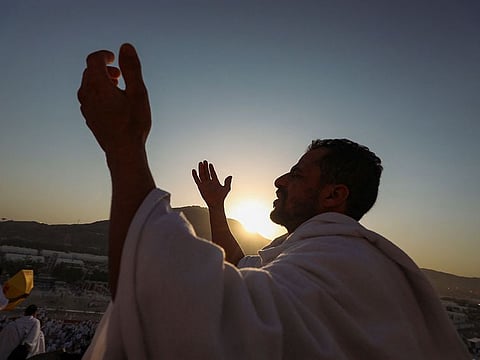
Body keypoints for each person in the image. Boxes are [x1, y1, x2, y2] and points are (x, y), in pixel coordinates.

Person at [78, 43, 470, 359]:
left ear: (334, 195)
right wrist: (217, 208)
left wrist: (124, 145)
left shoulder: (348, 262)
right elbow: (243, 267)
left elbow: (190, 313)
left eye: (297, 175)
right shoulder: (320, 253)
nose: (280, 180)